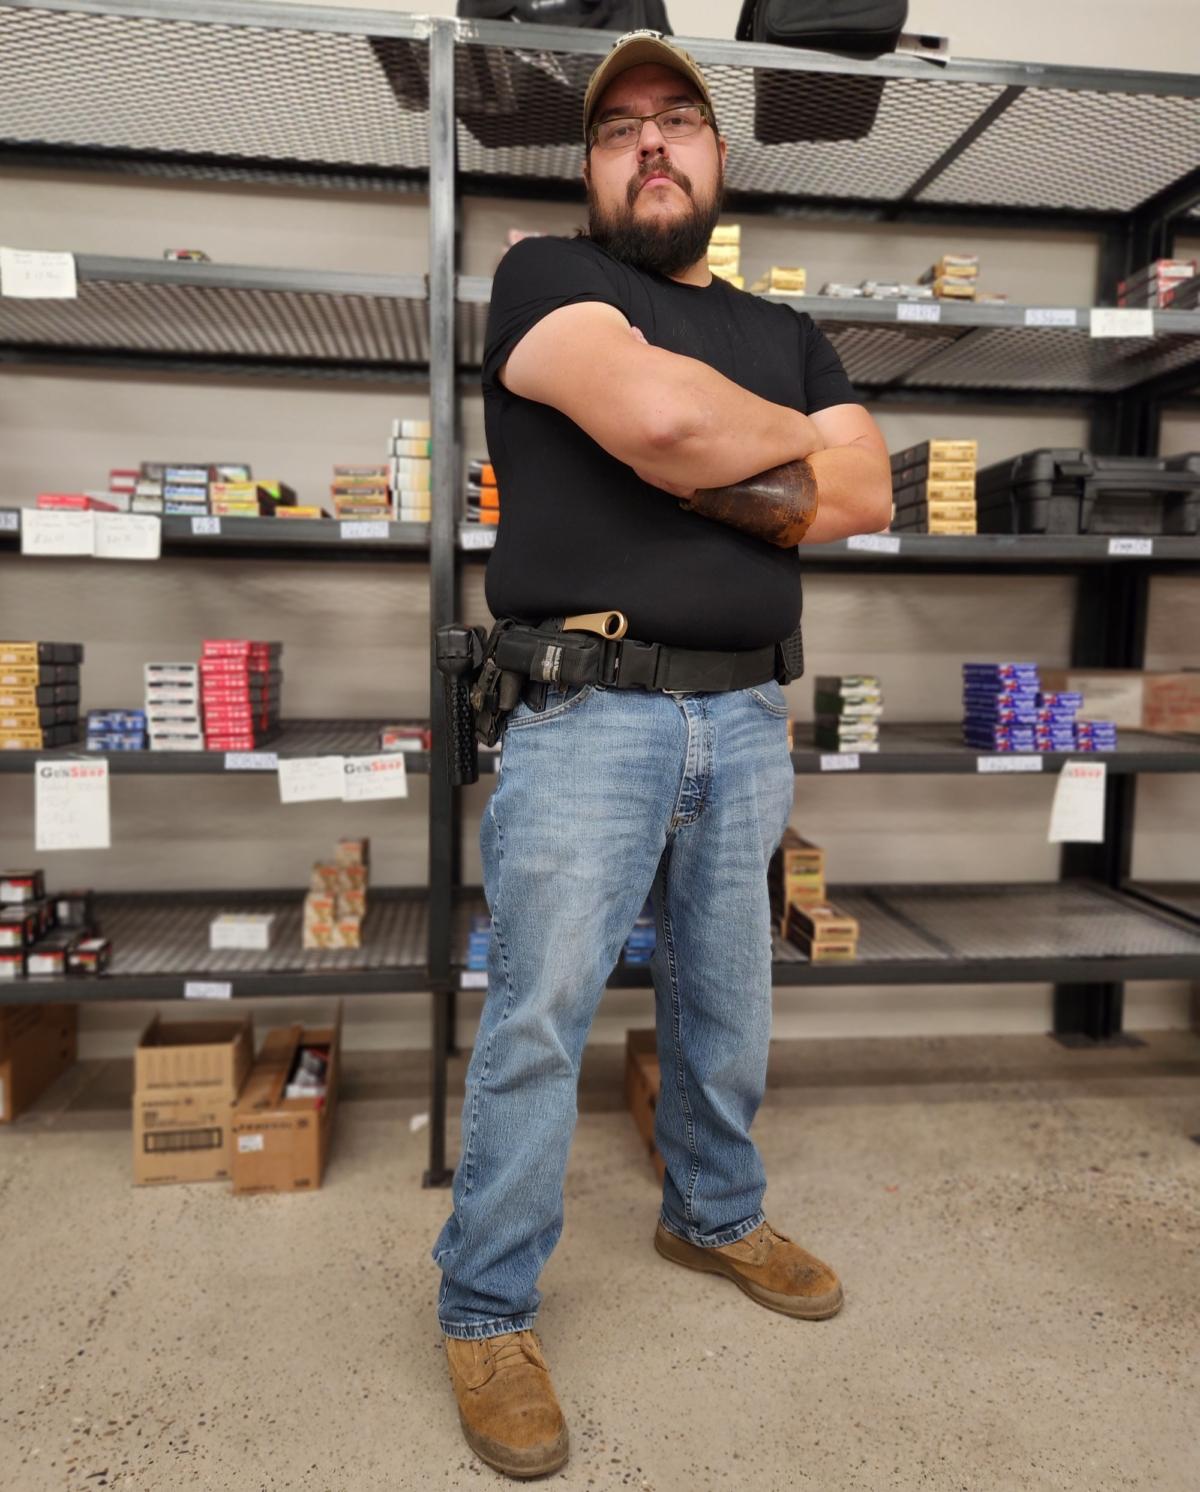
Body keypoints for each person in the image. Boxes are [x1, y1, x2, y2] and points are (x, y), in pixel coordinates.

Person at [431, 28, 892, 1480]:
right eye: (620, 124)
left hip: (749, 713)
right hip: (588, 709)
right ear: (588, 165)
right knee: (541, 1017)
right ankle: (486, 1305)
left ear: (715, 157)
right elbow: (665, 415)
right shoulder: (544, 281)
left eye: (677, 120)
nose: (649, 143)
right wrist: (758, 453)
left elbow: (865, 491)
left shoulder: (787, 328)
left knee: (730, 1001)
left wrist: (704, 451)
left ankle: (713, 1211)